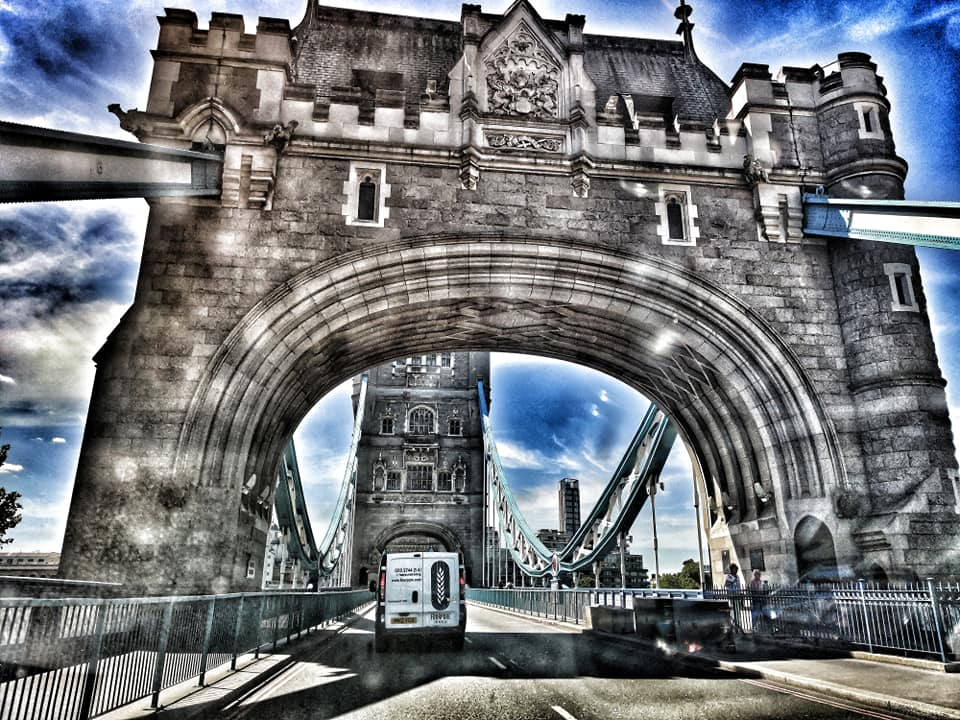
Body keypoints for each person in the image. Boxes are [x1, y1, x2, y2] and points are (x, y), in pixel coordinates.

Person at [724, 564, 742, 632]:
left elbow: (739, 585)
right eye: (735, 569)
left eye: (737, 569)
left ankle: (738, 625)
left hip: (737, 595)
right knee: (733, 612)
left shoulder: (737, 576)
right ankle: (733, 626)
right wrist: (732, 582)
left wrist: (740, 592)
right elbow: (726, 584)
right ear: (731, 570)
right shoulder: (729, 576)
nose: (736, 570)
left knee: (738, 612)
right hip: (732, 596)